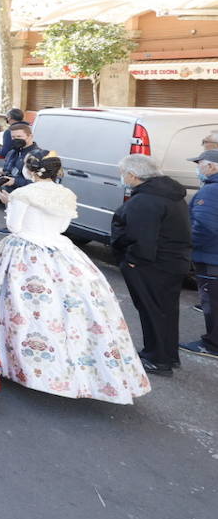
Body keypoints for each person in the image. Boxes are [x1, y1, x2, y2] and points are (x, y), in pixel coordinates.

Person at [0, 152, 151, 402]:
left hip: (25, 250)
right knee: (72, 307)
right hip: (61, 250)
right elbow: (62, 227)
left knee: (10, 304)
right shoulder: (67, 195)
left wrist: (8, 203)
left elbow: (16, 227)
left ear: (32, 171)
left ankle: (9, 358)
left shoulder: (23, 194)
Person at [111, 153, 192, 377]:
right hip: (172, 262)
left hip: (152, 265)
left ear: (133, 175)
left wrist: (134, 261)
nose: (122, 178)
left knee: (152, 311)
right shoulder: (169, 194)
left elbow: (141, 236)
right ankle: (164, 355)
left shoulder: (146, 200)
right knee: (164, 312)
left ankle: (157, 359)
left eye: (123, 174)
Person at [184, 149, 218, 359]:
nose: (197, 169)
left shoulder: (211, 191)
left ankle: (213, 344)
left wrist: (188, 247)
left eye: (199, 164)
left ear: (212, 166)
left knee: (212, 301)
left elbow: (204, 227)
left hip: (211, 257)